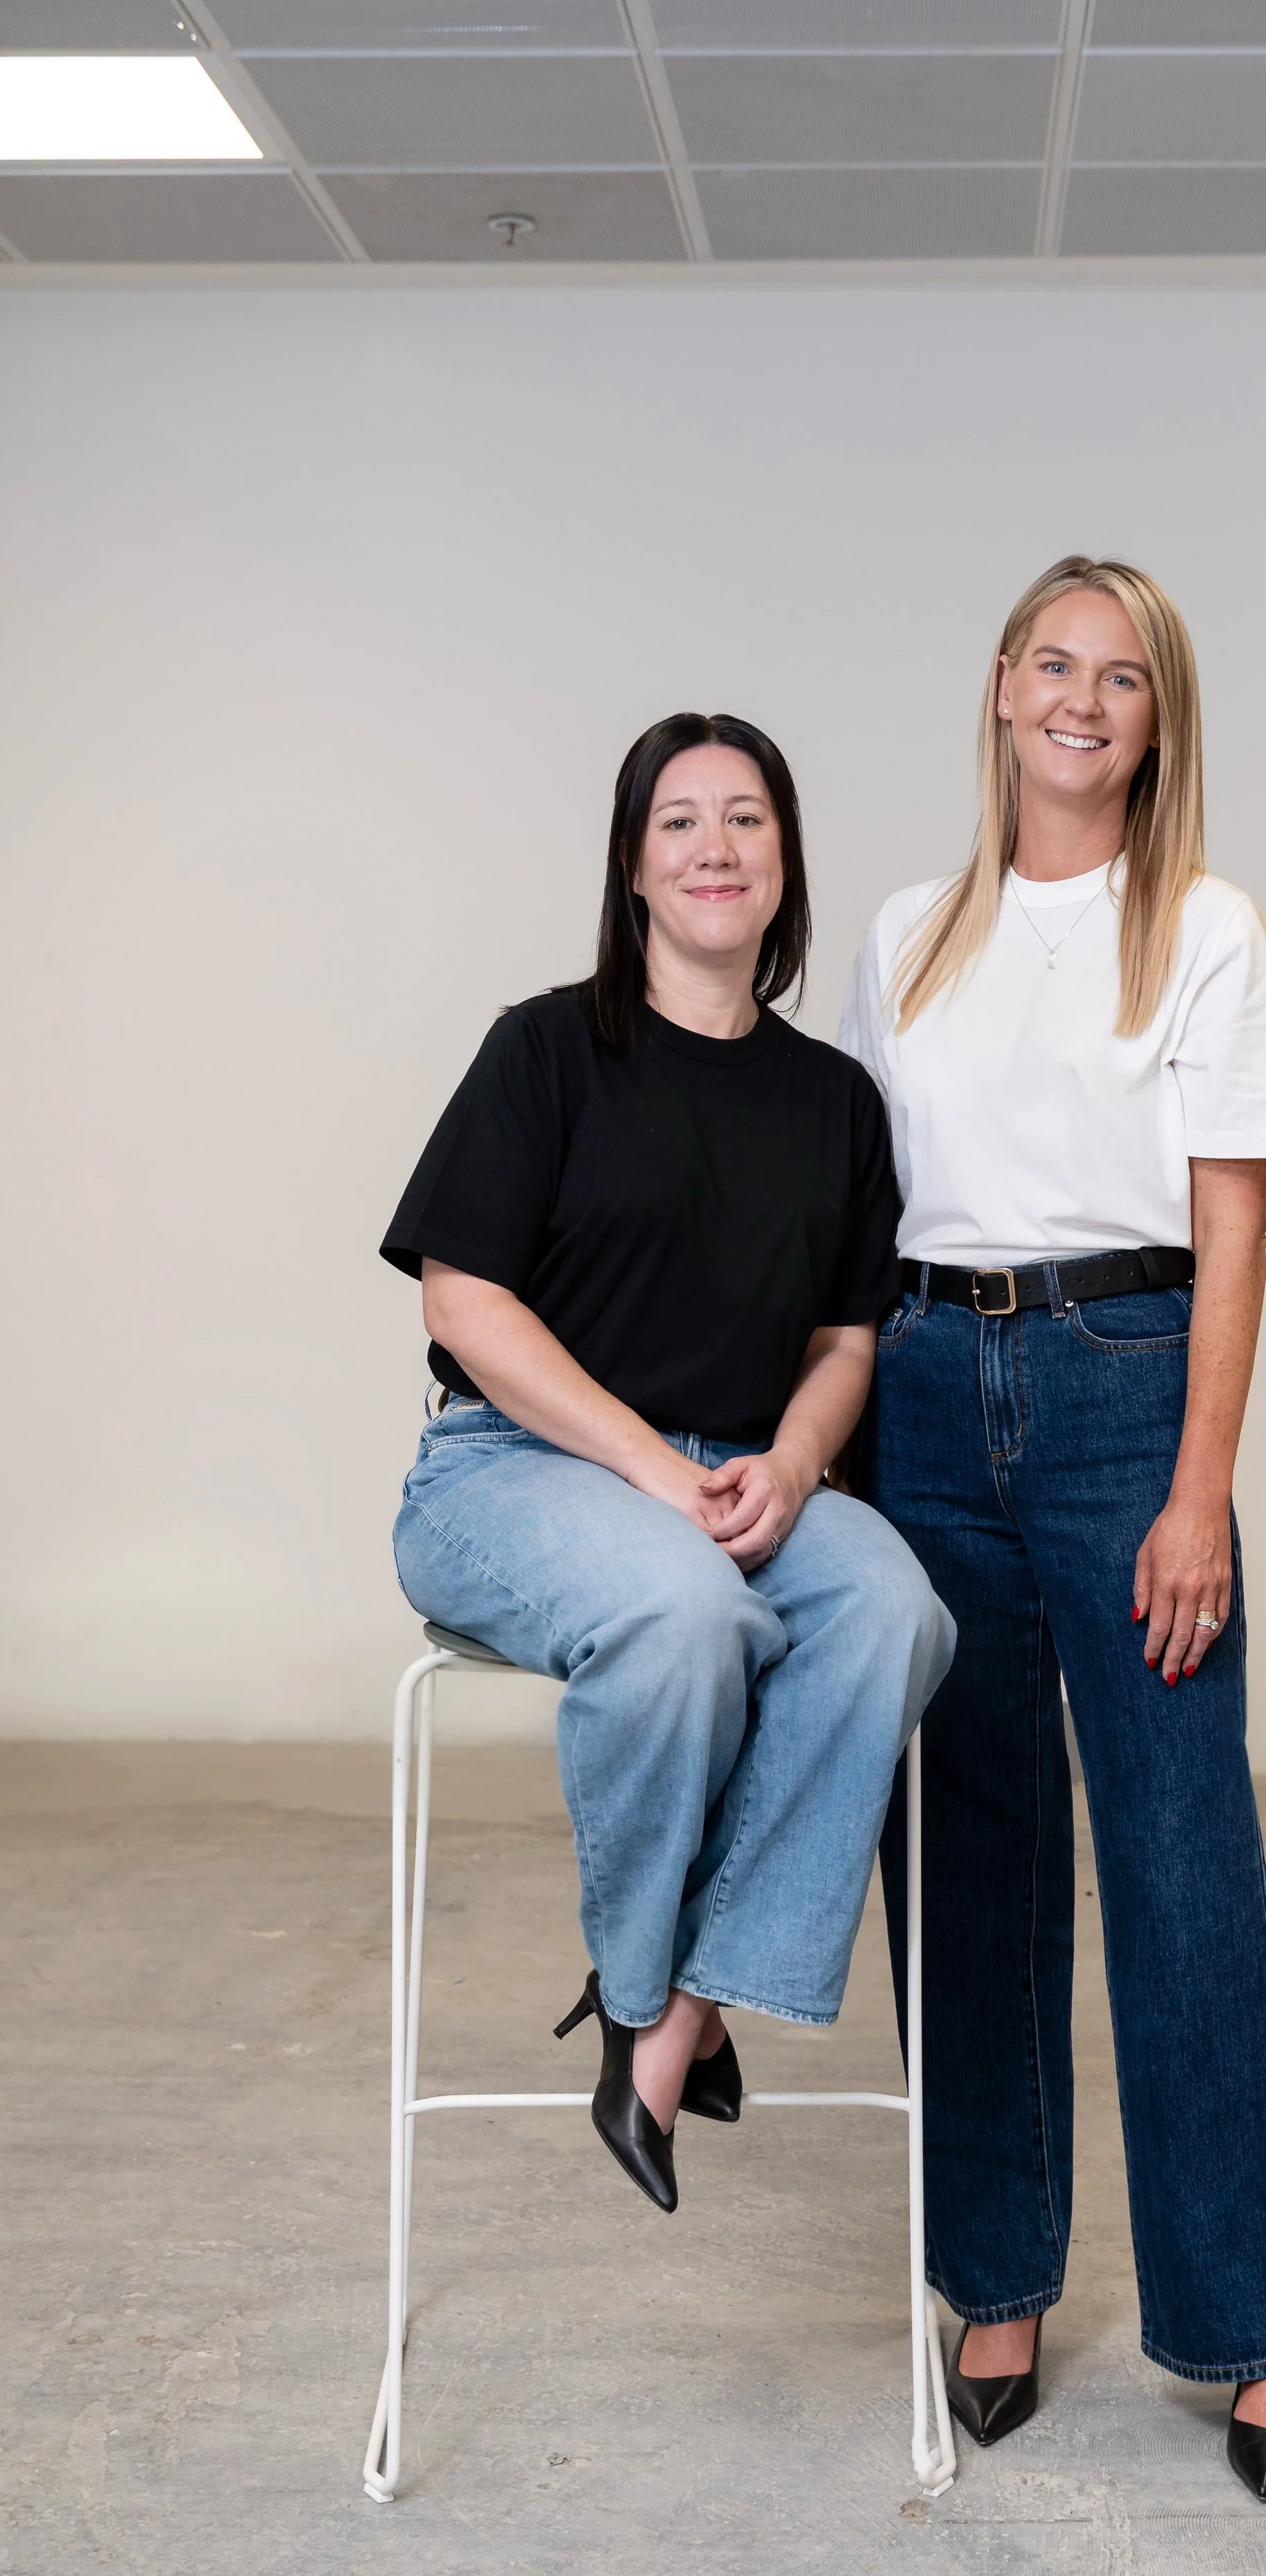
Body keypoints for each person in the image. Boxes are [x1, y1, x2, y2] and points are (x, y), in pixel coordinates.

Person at [841, 557, 1266, 2503]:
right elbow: (853, 1208)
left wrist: (1198, 1480)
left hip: (1127, 1383)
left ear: (1154, 719)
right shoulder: (903, 930)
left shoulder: (1198, 926)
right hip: (923, 1389)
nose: (1079, 697)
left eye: (1119, 677)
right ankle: (993, 2274)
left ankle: (1256, 2316)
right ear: (995, 689)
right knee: (964, 1854)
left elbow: (1232, 1220)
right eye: (1053, 661)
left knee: (1179, 1854)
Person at [382, 711, 954, 2217]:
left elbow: (847, 1336)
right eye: (681, 821)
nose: (715, 848)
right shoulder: (546, 1049)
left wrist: (795, 1457)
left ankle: (687, 2007)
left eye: (746, 820)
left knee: (897, 1611)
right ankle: (640, 1992)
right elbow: (464, 1297)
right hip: (514, 1474)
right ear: (633, 865)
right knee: (686, 1611)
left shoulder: (832, 1101)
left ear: (784, 865)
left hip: (737, 1475)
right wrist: (647, 1466)